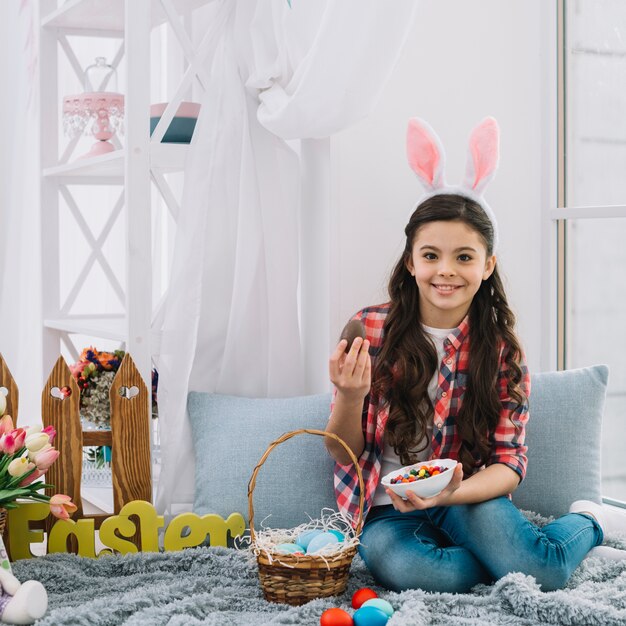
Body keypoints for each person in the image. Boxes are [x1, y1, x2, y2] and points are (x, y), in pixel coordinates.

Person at [324, 117, 626, 594]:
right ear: (411, 261)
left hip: (466, 496)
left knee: (543, 572)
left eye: (464, 257)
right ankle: (514, 554)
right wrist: (349, 393)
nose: (446, 271)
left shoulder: (501, 349)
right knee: (415, 572)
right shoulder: (372, 327)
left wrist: (451, 492)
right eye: (431, 256)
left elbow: (508, 464)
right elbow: (340, 449)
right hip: (387, 508)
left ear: (487, 264)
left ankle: (590, 521)